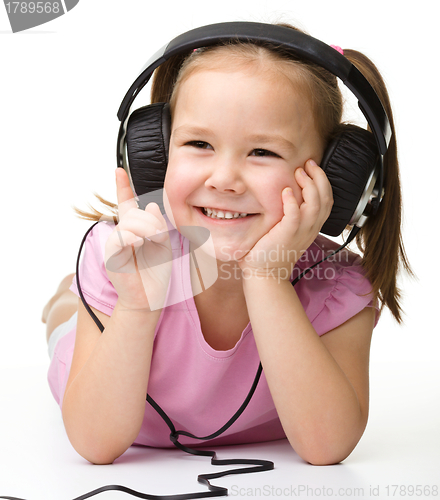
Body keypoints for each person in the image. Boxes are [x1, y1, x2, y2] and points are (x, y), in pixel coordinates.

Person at [42, 21, 412, 467]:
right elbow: (94, 444)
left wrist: (268, 279)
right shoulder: (124, 258)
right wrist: (136, 307)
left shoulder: (337, 287)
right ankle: (66, 303)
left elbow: (326, 447)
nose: (223, 180)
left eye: (263, 152)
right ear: (156, 153)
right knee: (63, 328)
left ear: (334, 178)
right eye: (199, 143)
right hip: (99, 367)